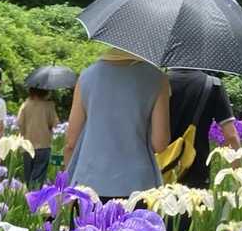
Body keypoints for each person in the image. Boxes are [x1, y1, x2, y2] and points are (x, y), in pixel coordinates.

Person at [62, 49, 169, 199]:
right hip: (138, 186)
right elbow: (160, 143)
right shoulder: (157, 79)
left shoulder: (87, 76)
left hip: (88, 183)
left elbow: (71, 140)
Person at [168, 69, 240, 189]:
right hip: (196, 171)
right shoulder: (213, 85)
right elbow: (231, 136)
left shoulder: (158, 83)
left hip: (161, 169)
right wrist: (238, 174)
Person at [16, 87, 60, 188]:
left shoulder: (25, 105)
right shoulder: (49, 105)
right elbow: (55, 123)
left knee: (28, 177)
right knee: (38, 178)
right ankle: (34, 196)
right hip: (43, 145)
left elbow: (19, 123)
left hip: (27, 146)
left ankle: (29, 195)